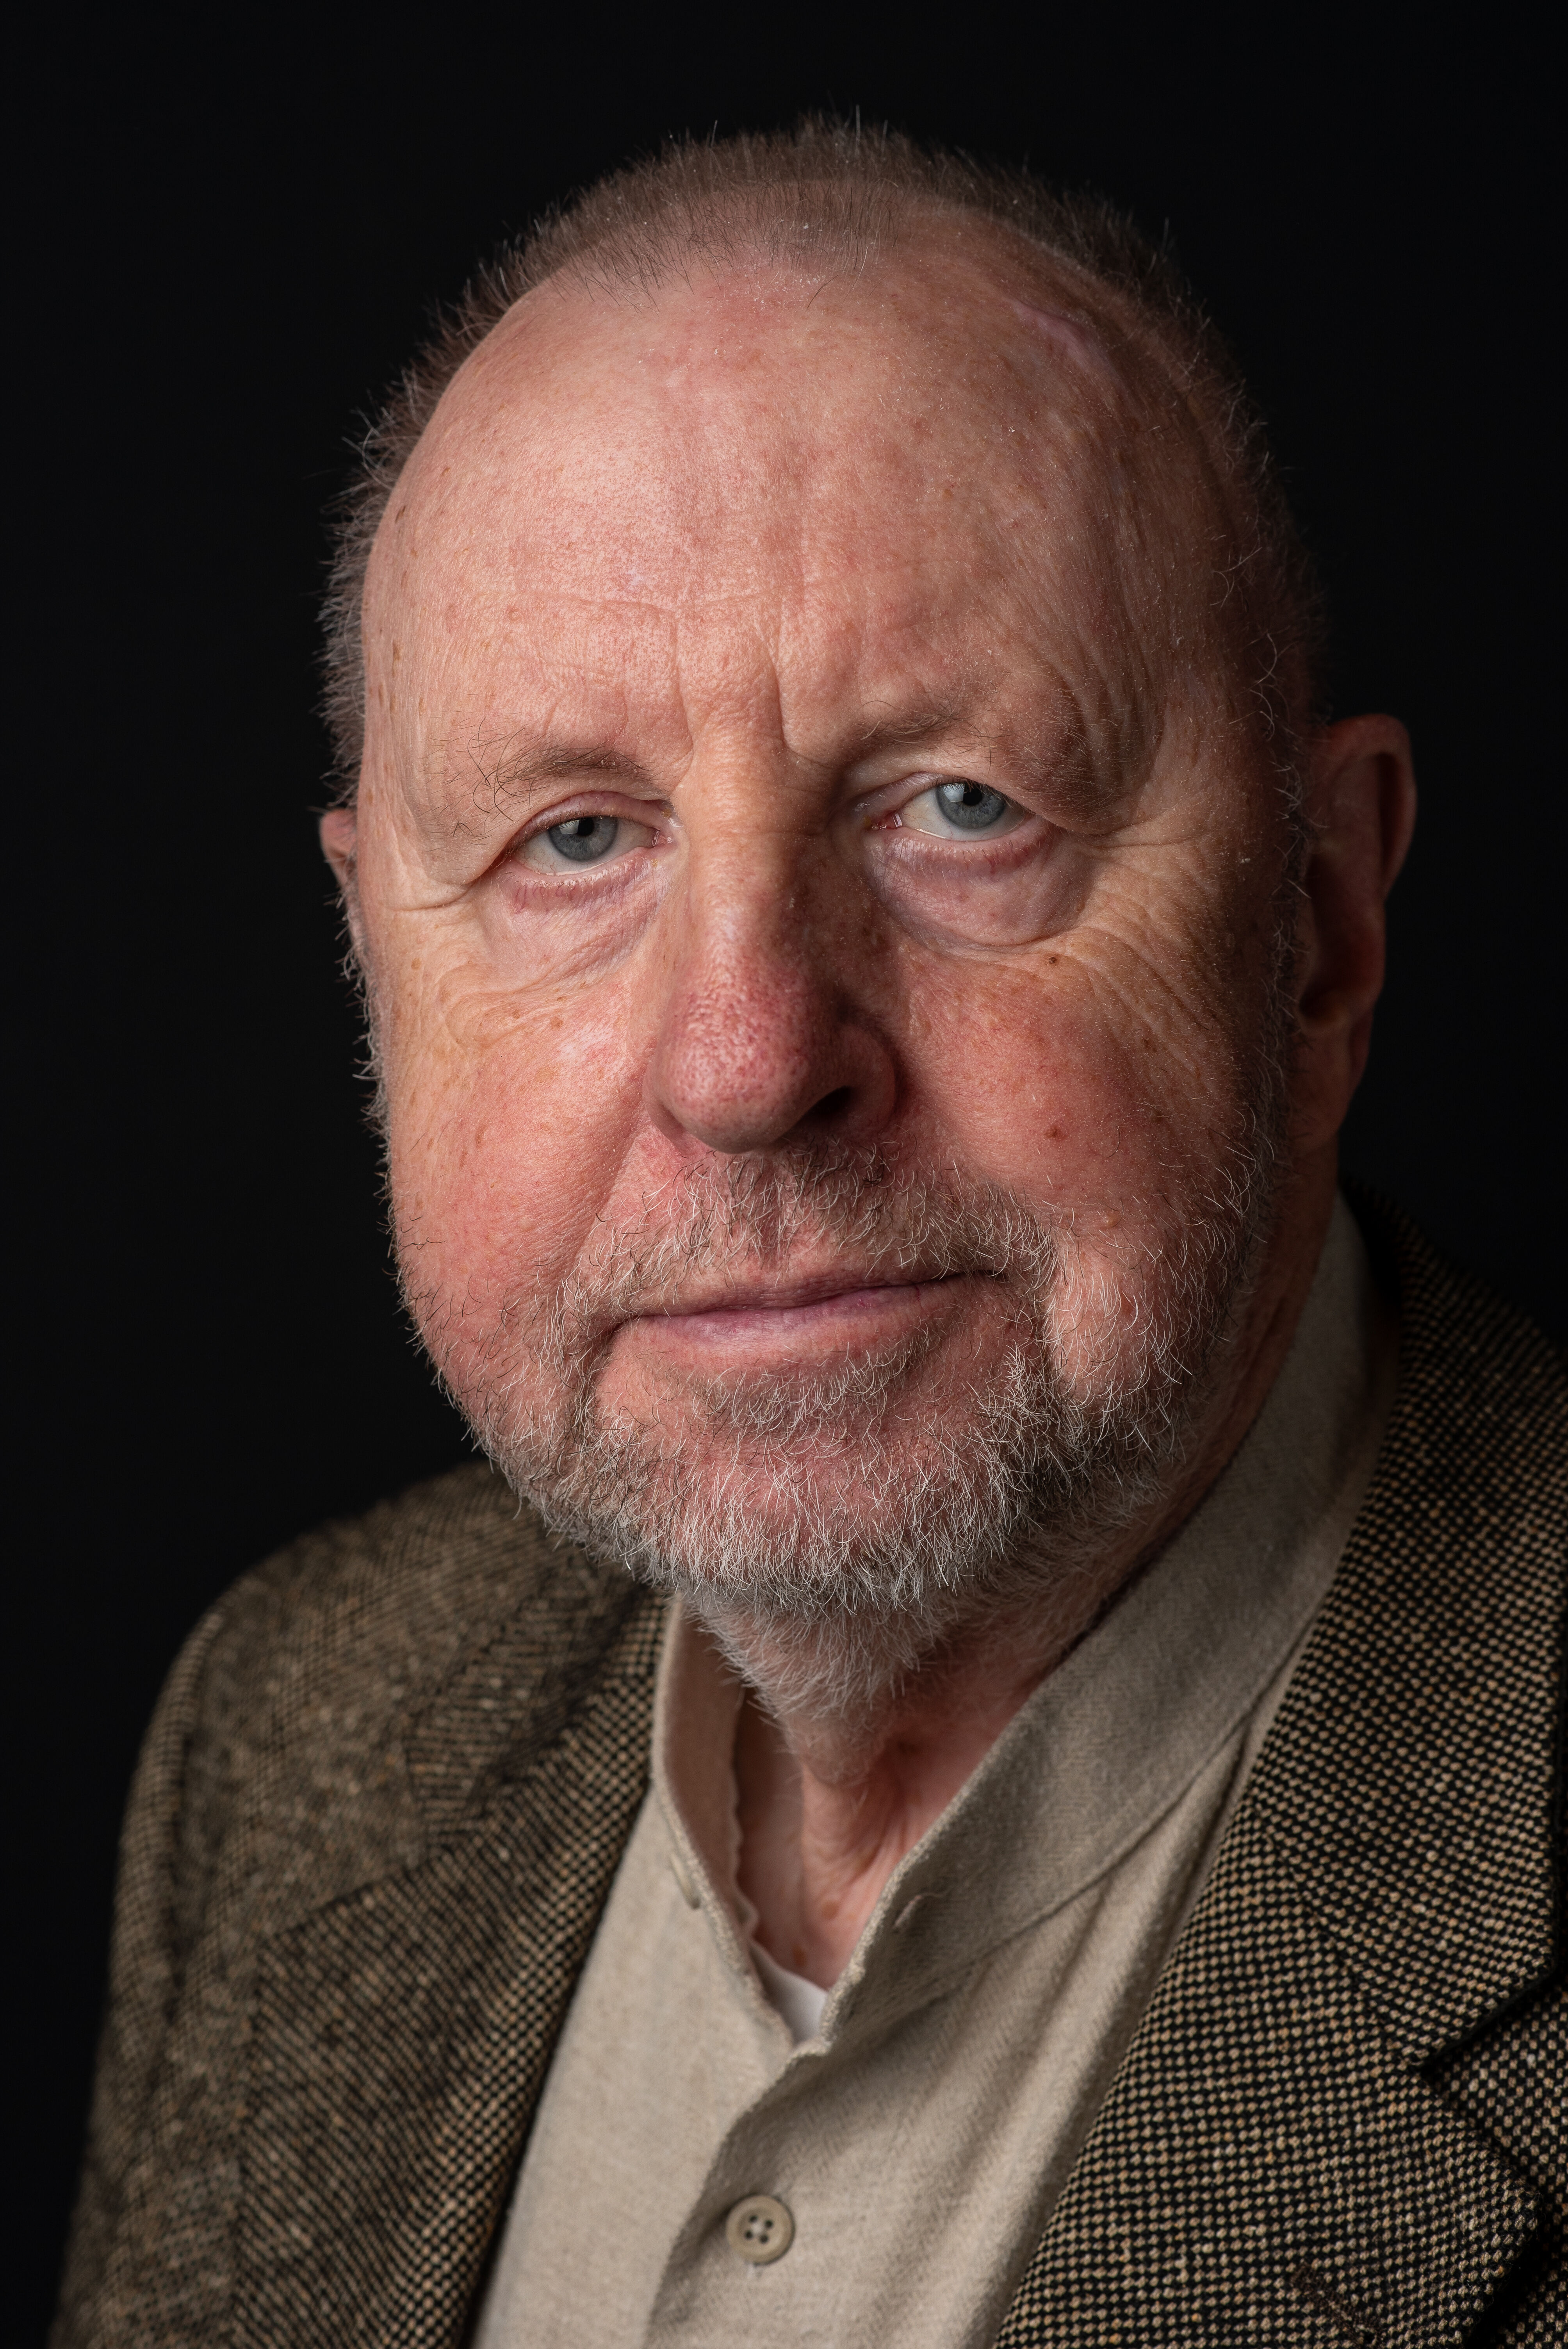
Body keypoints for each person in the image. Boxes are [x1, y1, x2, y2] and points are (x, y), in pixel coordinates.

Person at [53, 125, 1563, 2349]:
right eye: (579, 841)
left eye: (961, 807)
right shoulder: (291, 1738)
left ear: (1320, 926)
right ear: (373, 950)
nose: (752, 1062)